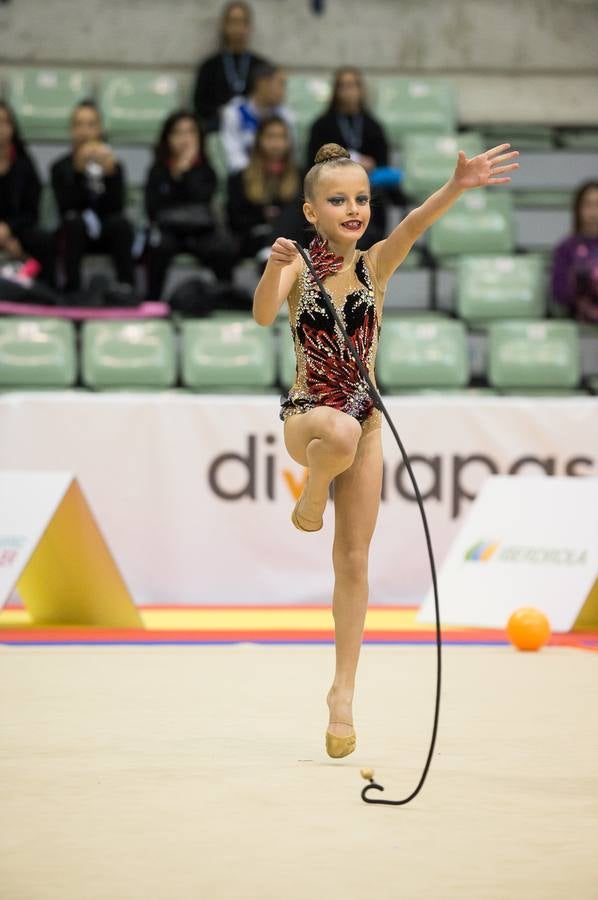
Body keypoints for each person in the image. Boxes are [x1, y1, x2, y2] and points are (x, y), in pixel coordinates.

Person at [252, 140, 519, 759]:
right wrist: (273, 266)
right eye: (338, 199)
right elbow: (265, 314)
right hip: (310, 416)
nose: (354, 209)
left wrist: (458, 185)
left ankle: (342, 693)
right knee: (338, 434)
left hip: (367, 422)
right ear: (311, 210)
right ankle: (312, 493)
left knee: (353, 559)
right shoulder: (298, 263)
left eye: (362, 199)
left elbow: (415, 223)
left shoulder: (374, 267)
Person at [144, 110, 237, 299]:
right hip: (169, 231)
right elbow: (152, 207)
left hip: (199, 230)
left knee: (224, 247)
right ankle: (152, 300)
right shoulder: (158, 169)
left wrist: (186, 171)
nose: (184, 138)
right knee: (157, 247)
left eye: (190, 132)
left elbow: (201, 196)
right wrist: (176, 174)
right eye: (178, 132)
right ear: (167, 138)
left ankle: (224, 296)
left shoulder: (206, 169)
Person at [306, 67, 399, 247]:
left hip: (366, 183)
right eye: (344, 86)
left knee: (376, 195)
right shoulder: (322, 125)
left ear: (361, 90)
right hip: (330, 184)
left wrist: (370, 164)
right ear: (336, 91)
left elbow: (383, 162)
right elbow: (311, 163)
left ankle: (370, 244)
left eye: (353, 85)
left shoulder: (373, 125)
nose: (349, 91)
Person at [51, 100, 135, 297]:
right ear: (71, 130)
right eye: (79, 124)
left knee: (121, 224)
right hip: (76, 234)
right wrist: (79, 173)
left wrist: (110, 176)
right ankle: (72, 289)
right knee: (73, 223)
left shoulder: (115, 167)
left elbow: (116, 208)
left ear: (100, 129)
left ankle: (126, 287)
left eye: (91, 124)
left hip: (106, 233)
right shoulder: (60, 167)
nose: (84, 131)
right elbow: (66, 207)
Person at [226, 116, 305, 268]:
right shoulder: (240, 177)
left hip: (292, 238)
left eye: (281, 137)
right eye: (270, 137)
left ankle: (270, 251)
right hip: (255, 236)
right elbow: (234, 218)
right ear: (259, 141)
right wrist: (262, 215)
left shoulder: (302, 176)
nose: (276, 143)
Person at [0, 101, 56, 287]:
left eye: (4, 122)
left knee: (43, 240)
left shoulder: (24, 164)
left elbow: (31, 212)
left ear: (12, 127)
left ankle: (45, 294)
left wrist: (8, 231)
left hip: (17, 229)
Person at [193, 1, 268, 134]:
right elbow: (200, 105)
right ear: (224, 25)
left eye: (242, 22)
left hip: (254, 132)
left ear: (249, 26)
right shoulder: (209, 67)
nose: (238, 28)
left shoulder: (261, 66)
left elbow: (268, 103)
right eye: (233, 21)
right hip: (219, 129)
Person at [220, 62, 294, 173]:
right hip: (244, 178)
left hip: (279, 177)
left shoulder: (285, 116)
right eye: (280, 84)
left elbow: (291, 154)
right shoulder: (235, 113)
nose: (283, 92)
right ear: (261, 83)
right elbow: (232, 154)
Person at [551, 181, 598, 323]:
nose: (594, 212)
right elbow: (559, 293)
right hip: (578, 325)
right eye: (588, 205)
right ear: (578, 209)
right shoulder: (566, 248)